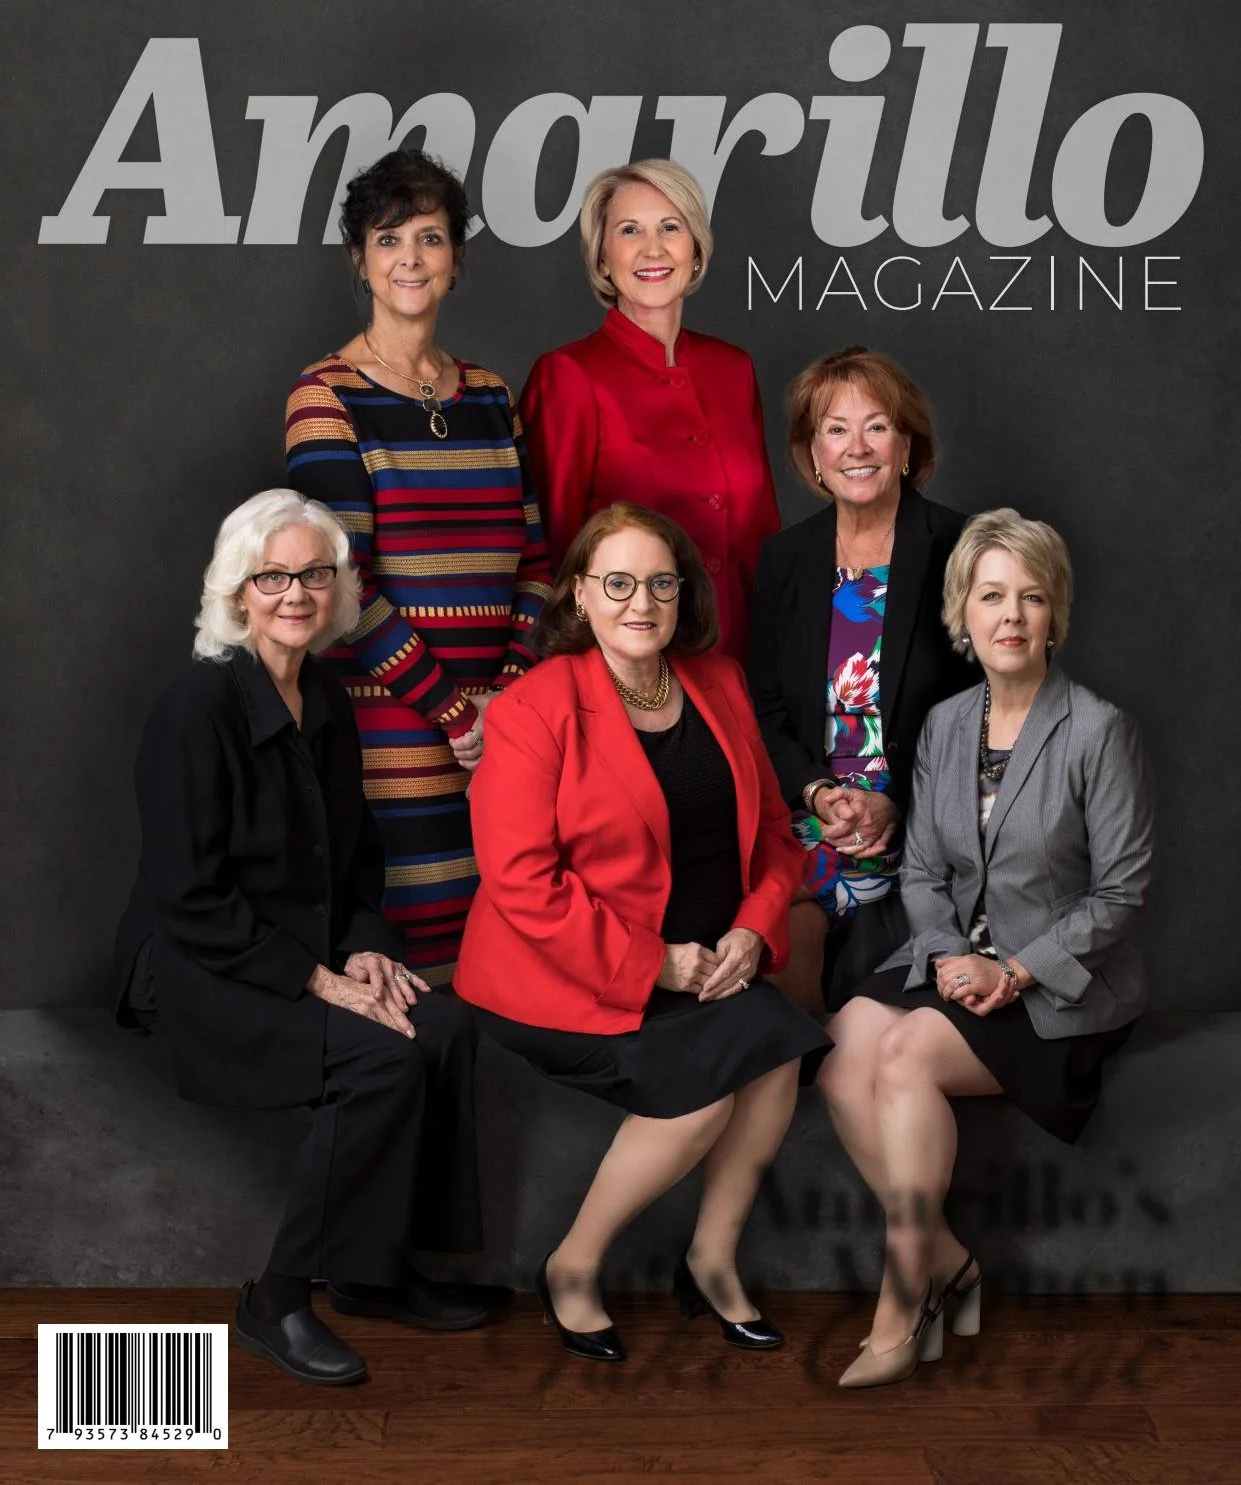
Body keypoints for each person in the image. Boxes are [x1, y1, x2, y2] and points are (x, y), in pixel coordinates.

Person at [114, 489, 488, 1386]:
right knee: (381, 1058)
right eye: (272, 575)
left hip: (307, 943)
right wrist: (321, 982)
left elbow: (355, 858)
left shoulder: (324, 692)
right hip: (198, 960)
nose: (295, 592)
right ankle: (275, 1298)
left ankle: (375, 1270)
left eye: (313, 574)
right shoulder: (194, 708)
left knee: (443, 1029)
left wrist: (365, 946)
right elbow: (188, 895)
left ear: (337, 588)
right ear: (238, 592)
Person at [454, 503, 828, 1361]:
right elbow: (520, 883)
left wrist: (752, 928)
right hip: (559, 976)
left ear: (682, 593)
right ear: (579, 594)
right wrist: (653, 964)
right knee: (700, 1098)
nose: (640, 601)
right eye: (616, 582)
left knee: (773, 1052)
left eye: (660, 581)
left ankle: (710, 1260)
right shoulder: (533, 708)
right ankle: (574, 1265)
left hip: (706, 961)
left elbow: (775, 834)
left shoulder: (720, 683)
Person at [821, 508, 1155, 1388]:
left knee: (898, 1062)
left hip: (1059, 986)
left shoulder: (1096, 730)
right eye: (992, 595)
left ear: (1056, 615)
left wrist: (1012, 971)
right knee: (839, 1058)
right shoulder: (943, 725)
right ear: (962, 612)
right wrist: (942, 959)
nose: (1010, 616)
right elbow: (923, 870)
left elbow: (1119, 893)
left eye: (1031, 598)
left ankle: (900, 1303)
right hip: (952, 961)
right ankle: (951, 1261)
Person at [285, 148, 551, 986]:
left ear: (456, 259)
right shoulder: (323, 397)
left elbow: (537, 561)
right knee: (394, 956)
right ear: (358, 259)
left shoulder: (488, 395)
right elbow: (341, 587)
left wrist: (505, 693)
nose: (409, 257)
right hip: (386, 724)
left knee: (490, 955)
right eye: (388, 237)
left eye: (429, 238)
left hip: (495, 731)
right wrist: (451, 713)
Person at [748, 347, 976, 1016]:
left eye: (875, 426)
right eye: (834, 429)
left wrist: (897, 800)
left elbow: (982, 715)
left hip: (924, 821)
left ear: (906, 444)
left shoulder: (957, 547)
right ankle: (800, 1090)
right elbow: (762, 707)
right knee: (768, 939)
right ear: (812, 454)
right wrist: (819, 793)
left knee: (882, 1001)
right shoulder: (785, 559)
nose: (857, 447)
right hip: (812, 812)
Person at [520, 159, 780, 662]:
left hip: (738, 662)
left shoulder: (733, 368)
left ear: (696, 249)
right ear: (602, 258)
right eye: (629, 230)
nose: (653, 248)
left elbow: (760, 540)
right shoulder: (568, 375)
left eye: (670, 227)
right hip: (624, 668)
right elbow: (548, 554)